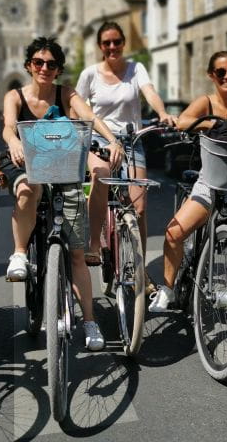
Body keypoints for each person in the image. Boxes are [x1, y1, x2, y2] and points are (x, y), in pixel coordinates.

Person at [1, 37, 123, 351]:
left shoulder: (66, 93)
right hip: (29, 162)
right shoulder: (15, 96)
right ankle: (19, 253)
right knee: (29, 188)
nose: (44, 68)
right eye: (38, 62)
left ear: (58, 69)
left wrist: (112, 140)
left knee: (77, 255)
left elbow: (89, 118)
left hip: (63, 163)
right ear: (29, 66)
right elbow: (8, 126)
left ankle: (90, 321)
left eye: (51, 64)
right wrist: (13, 141)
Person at [149, 51, 227, 321]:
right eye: (221, 72)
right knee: (173, 233)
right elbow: (184, 121)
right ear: (211, 75)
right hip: (211, 183)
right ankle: (168, 289)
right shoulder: (206, 101)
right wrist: (214, 124)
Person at [76, 21, 177, 291]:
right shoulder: (89, 74)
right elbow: (79, 108)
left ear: (123, 43)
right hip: (100, 139)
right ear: (100, 46)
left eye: (117, 42)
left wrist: (162, 112)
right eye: (106, 43)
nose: (112, 47)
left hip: (132, 141)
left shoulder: (136, 69)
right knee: (101, 177)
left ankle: (140, 270)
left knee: (139, 208)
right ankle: (94, 244)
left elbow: (149, 92)